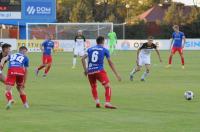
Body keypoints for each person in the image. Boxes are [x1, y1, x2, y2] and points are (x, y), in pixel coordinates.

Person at [81, 36, 121, 109]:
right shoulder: (104, 50)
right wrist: (117, 74)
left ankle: (97, 102)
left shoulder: (90, 49)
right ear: (103, 42)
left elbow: (82, 58)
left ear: (96, 42)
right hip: (99, 71)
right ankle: (107, 103)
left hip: (90, 71)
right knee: (107, 86)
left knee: (93, 86)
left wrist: (85, 69)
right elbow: (110, 63)